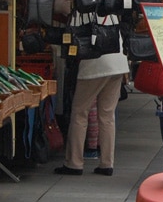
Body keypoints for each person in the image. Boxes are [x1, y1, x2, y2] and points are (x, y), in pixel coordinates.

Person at [54, 44, 129, 177]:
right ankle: (107, 164)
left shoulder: (83, 20)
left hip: (94, 64)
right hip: (118, 63)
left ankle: (74, 163)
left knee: (79, 112)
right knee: (107, 115)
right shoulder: (115, 20)